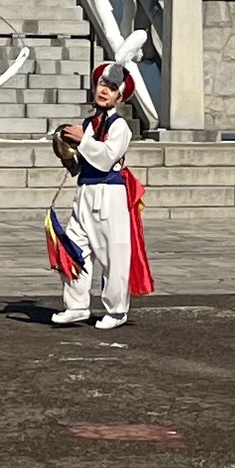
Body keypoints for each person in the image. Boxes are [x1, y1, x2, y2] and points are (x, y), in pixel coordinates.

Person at [49, 60, 152, 331]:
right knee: (73, 247)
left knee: (112, 254)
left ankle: (117, 310)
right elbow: (80, 163)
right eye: (102, 84)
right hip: (85, 191)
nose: (104, 90)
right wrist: (65, 149)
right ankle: (76, 305)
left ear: (120, 96)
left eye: (111, 87)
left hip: (110, 193)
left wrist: (82, 140)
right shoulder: (89, 123)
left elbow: (106, 158)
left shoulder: (120, 127)